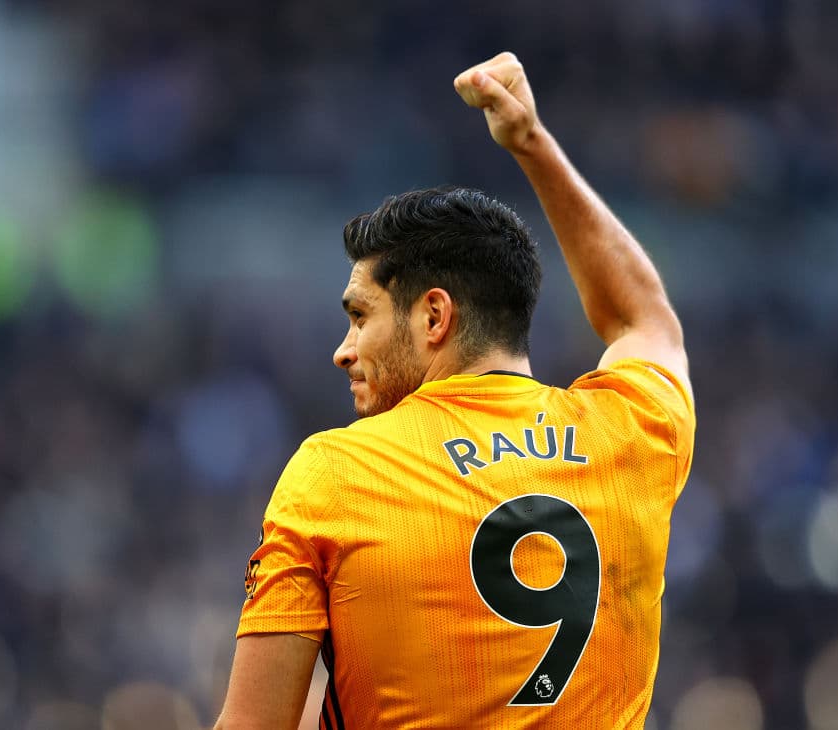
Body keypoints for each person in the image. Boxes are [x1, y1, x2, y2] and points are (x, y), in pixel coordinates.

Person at [214, 51, 694, 729]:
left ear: (433, 316)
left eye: (359, 316)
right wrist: (532, 143)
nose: (342, 350)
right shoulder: (634, 434)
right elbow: (645, 318)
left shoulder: (337, 475)